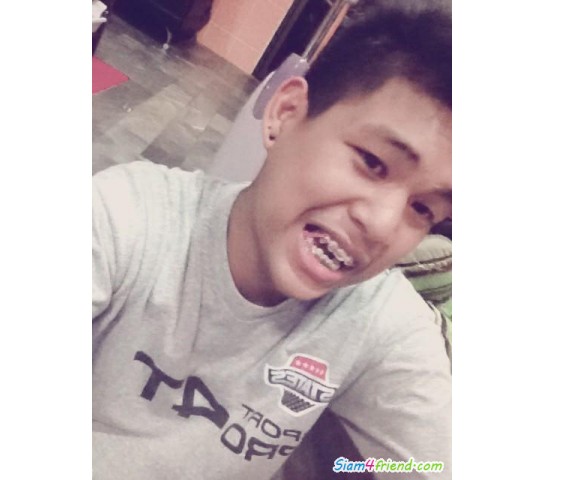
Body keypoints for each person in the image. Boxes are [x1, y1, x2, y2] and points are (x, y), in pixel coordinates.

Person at [93, 6, 452, 480]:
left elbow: (433, 465)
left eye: (423, 209)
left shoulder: (381, 322)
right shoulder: (129, 218)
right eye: (372, 162)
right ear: (284, 114)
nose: (384, 226)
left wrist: (348, 468)